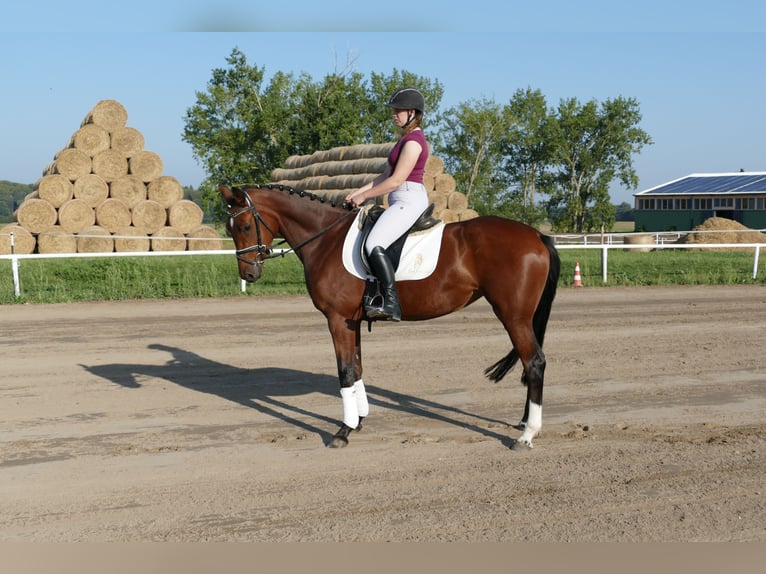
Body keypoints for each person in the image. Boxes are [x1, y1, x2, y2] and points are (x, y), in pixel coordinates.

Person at [345, 87, 430, 322]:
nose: (394, 114)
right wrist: (358, 193)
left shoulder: (414, 142)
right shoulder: (403, 140)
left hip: (408, 199)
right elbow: (383, 176)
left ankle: (391, 302)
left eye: (398, 110)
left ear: (412, 112)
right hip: (399, 199)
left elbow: (396, 180)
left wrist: (366, 197)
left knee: (374, 243)